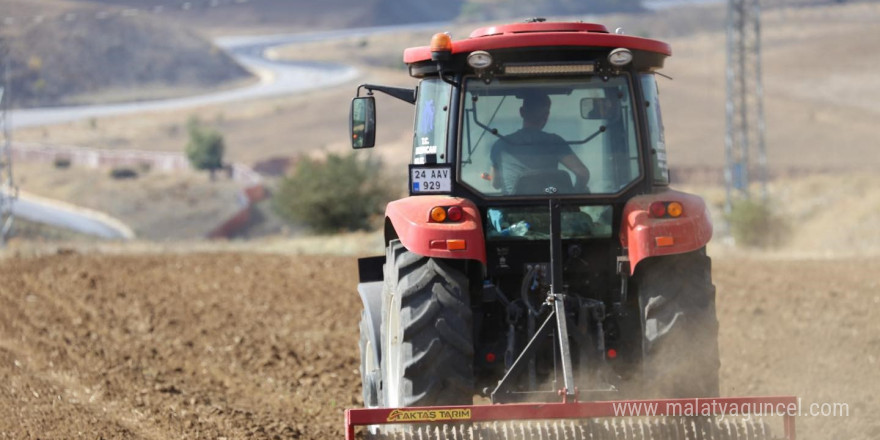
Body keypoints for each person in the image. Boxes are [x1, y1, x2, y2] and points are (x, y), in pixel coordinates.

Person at [489, 94, 589, 195]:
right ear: (546, 115)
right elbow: (583, 174)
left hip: (512, 208)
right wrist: (574, 194)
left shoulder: (500, 144)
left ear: (522, 112)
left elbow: (496, 184)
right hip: (550, 207)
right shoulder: (554, 141)